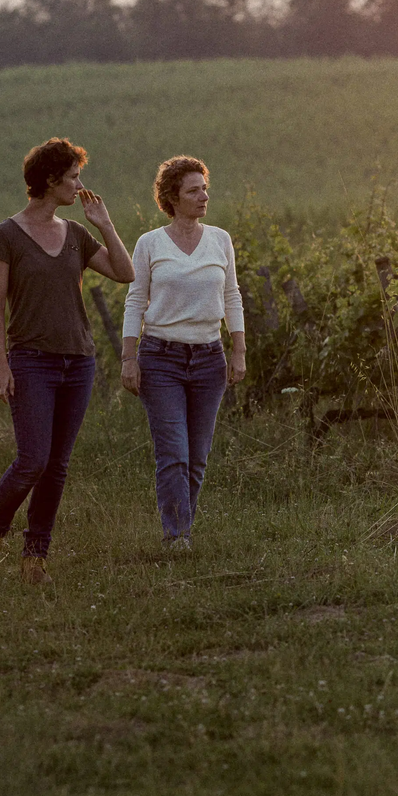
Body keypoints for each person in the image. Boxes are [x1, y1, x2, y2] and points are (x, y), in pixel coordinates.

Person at [0, 136, 134, 585]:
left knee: (57, 465)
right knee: (32, 460)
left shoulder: (77, 234)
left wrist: (105, 224)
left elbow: (126, 273)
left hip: (78, 362)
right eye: (73, 177)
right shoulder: (5, 236)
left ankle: (35, 559)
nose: (80, 185)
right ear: (49, 180)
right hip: (31, 362)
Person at [121, 155, 246, 550]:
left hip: (210, 359)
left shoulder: (220, 239)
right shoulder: (150, 244)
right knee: (173, 450)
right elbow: (135, 300)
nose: (203, 196)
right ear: (172, 197)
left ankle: (181, 528)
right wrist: (129, 357)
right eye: (194, 190)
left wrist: (238, 350)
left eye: (205, 188)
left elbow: (232, 296)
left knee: (197, 455)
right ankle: (178, 536)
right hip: (161, 360)